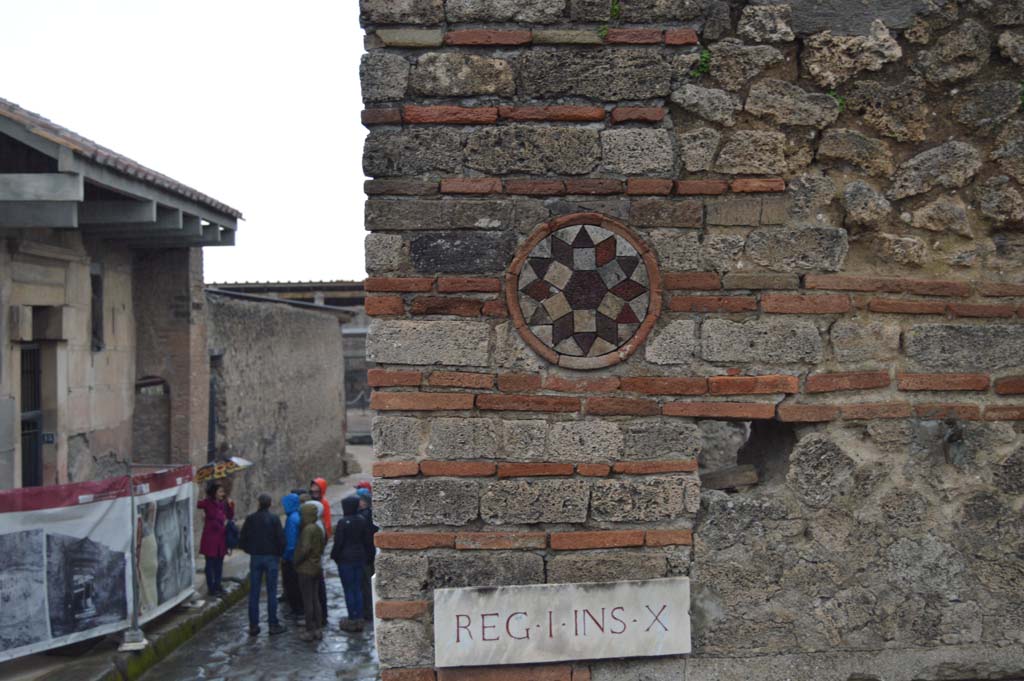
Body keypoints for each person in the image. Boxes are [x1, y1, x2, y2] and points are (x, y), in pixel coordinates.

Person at [239, 493, 286, 636]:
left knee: (254, 592)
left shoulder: (251, 519)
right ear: (270, 503)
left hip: (256, 557)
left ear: (259, 503)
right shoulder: (274, 519)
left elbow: (243, 539)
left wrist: (251, 550)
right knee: (272, 592)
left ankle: (253, 625)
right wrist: (278, 554)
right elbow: (281, 540)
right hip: (271, 557)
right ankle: (273, 624)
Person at [330, 496, 374, 632]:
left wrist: (334, 556)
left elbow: (338, 543)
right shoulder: (362, 521)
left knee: (349, 589)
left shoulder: (343, 523)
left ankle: (352, 616)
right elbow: (368, 541)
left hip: (345, 560)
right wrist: (369, 557)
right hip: (359, 558)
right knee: (358, 588)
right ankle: (359, 616)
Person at [294, 501, 325, 641]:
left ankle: (309, 630)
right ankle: (318, 628)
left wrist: (297, 561)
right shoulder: (318, 528)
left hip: (306, 569)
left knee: (308, 600)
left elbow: (305, 548)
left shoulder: (308, 529)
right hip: (317, 566)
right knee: (315, 599)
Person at [197, 481, 234, 597]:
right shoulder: (207, 503)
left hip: (221, 539)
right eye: (220, 491)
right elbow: (197, 504)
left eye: (223, 491)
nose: (222, 493)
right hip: (210, 538)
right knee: (210, 564)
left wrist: (231, 505)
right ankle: (211, 588)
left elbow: (230, 516)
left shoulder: (223, 504)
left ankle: (218, 585)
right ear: (214, 493)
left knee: (219, 564)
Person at [355, 486, 377, 623]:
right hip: (369, 553)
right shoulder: (367, 515)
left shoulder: (365, 516)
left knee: (366, 584)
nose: (360, 502)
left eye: (362, 500)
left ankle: (368, 611)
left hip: (367, 555)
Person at [280, 493, 304, 618]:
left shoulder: (291, 519)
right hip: (298, 556)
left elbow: (291, 543)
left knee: (292, 585)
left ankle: (297, 611)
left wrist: (285, 557)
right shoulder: (297, 515)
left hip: (291, 558)